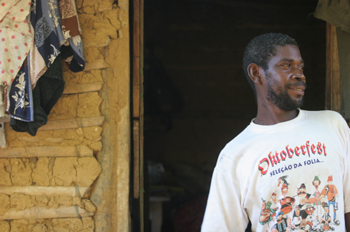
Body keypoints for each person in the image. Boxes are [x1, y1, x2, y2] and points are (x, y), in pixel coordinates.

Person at [201, 33, 350, 232]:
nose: (300, 74)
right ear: (256, 73)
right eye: (286, 65)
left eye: (300, 66)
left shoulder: (332, 124)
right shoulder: (235, 155)